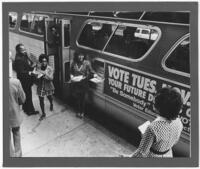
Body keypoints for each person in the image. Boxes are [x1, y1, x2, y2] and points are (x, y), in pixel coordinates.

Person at [130, 87, 183, 158]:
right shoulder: (179, 122)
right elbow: (175, 141)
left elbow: (141, 153)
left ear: (159, 108)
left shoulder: (152, 128)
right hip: (168, 155)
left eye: (155, 103)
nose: (153, 104)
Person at [13, 43, 39, 116]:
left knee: (26, 94)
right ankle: (30, 111)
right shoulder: (19, 59)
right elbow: (21, 71)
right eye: (22, 49)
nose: (24, 50)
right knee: (28, 95)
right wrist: (30, 71)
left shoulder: (23, 55)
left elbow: (27, 65)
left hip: (26, 79)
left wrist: (31, 65)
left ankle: (26, 109)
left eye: (25, 49)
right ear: (18, 51)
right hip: (24, 80)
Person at [70, 51, 98, 118]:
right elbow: (71, 71)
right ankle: (78, 111)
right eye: (79, 55)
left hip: (84, 84)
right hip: (76, 83)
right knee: (77, 98)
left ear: (84, 56)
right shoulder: (73, 63)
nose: (81, 57)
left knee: (82, 99)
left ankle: (82, 112)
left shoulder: (87, 63)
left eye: (82, 55)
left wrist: (95, 74)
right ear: (77, 56)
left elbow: (91, 71)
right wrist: (71, 76)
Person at [9, 65, 26, 157]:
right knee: (16, 134)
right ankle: (18, 158)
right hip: (14, 116)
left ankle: (10, 158)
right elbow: (22, 99)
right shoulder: (15, 82)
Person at [36, 54, 55, 121]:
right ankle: (43, 114)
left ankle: (51, 104)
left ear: (47, 61)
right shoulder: (38, 68)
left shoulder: (50, 68)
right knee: (41, 100)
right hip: (40, 86)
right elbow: (36, 77)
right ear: (41, 61)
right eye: (42, 61)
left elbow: (51, 78)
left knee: (50, 97)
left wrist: (45, 74)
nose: (44, 63)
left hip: (48, 85)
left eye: (45, 61)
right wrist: (36, 76)